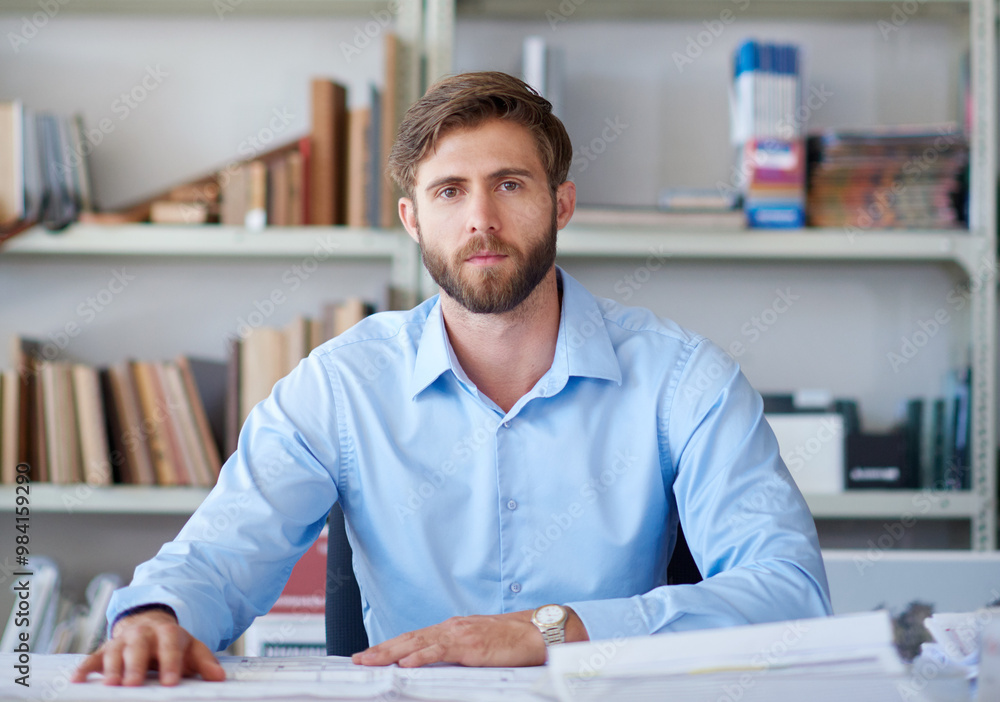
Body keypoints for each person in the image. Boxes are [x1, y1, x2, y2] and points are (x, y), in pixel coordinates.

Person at [74, 71, 831, 687]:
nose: (481, 220)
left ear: (561, 203)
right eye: (449, 191)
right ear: (412, 220)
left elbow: (791, 594)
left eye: (510, 185)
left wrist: (554, 630)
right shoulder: (342, 385)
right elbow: (221, 551)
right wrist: (157, 616)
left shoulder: (683, 380)